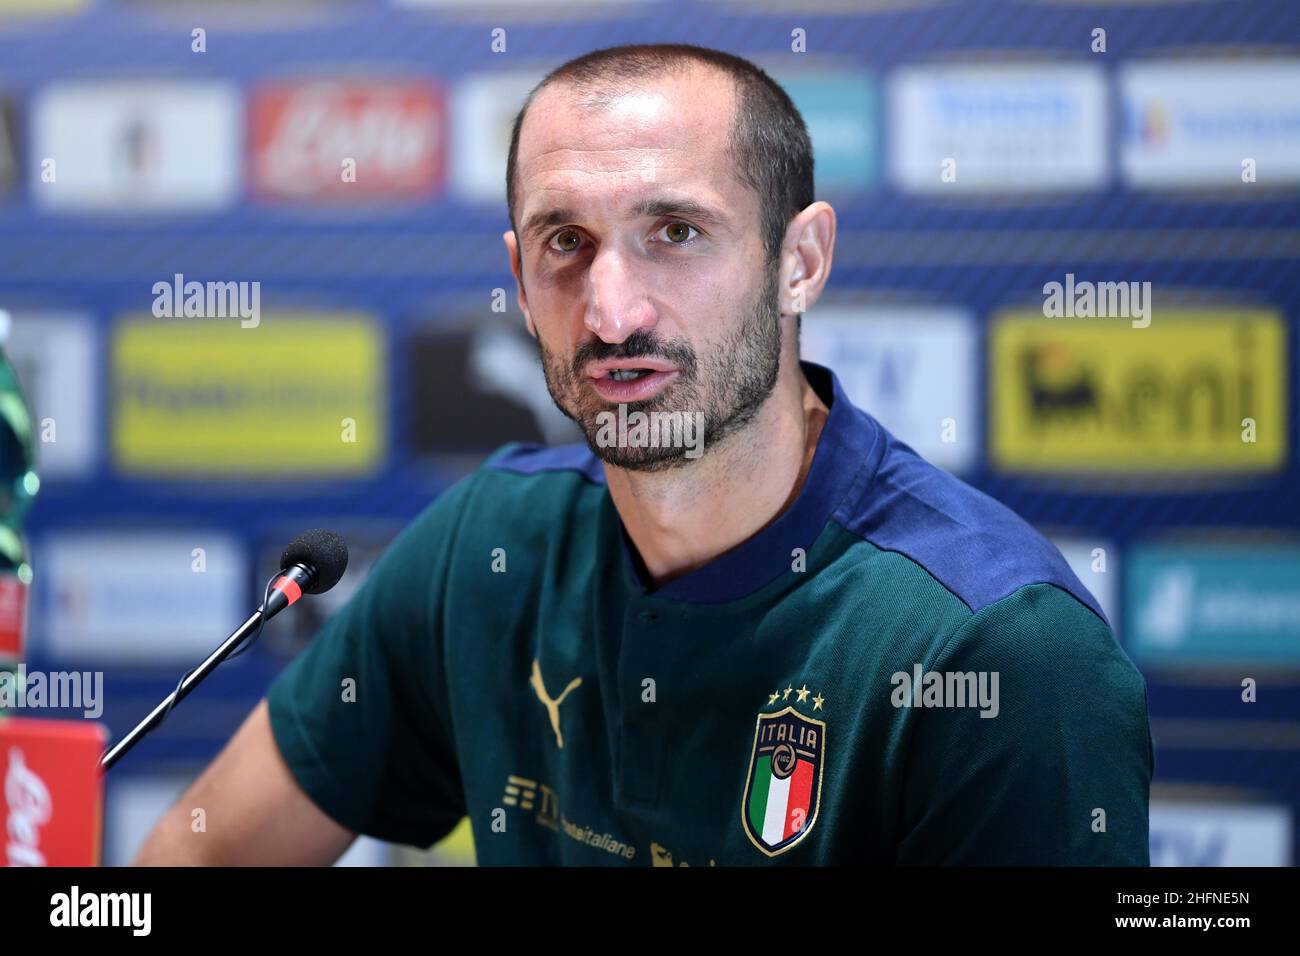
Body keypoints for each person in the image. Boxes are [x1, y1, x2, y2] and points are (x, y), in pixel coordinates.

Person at [135, 43, 1152, 867]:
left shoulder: (996, 650)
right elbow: (196, 856)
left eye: (674, 230)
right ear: (518, 280)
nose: (612, 311)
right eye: (564, 242)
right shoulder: (489, 547)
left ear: (798, 261)